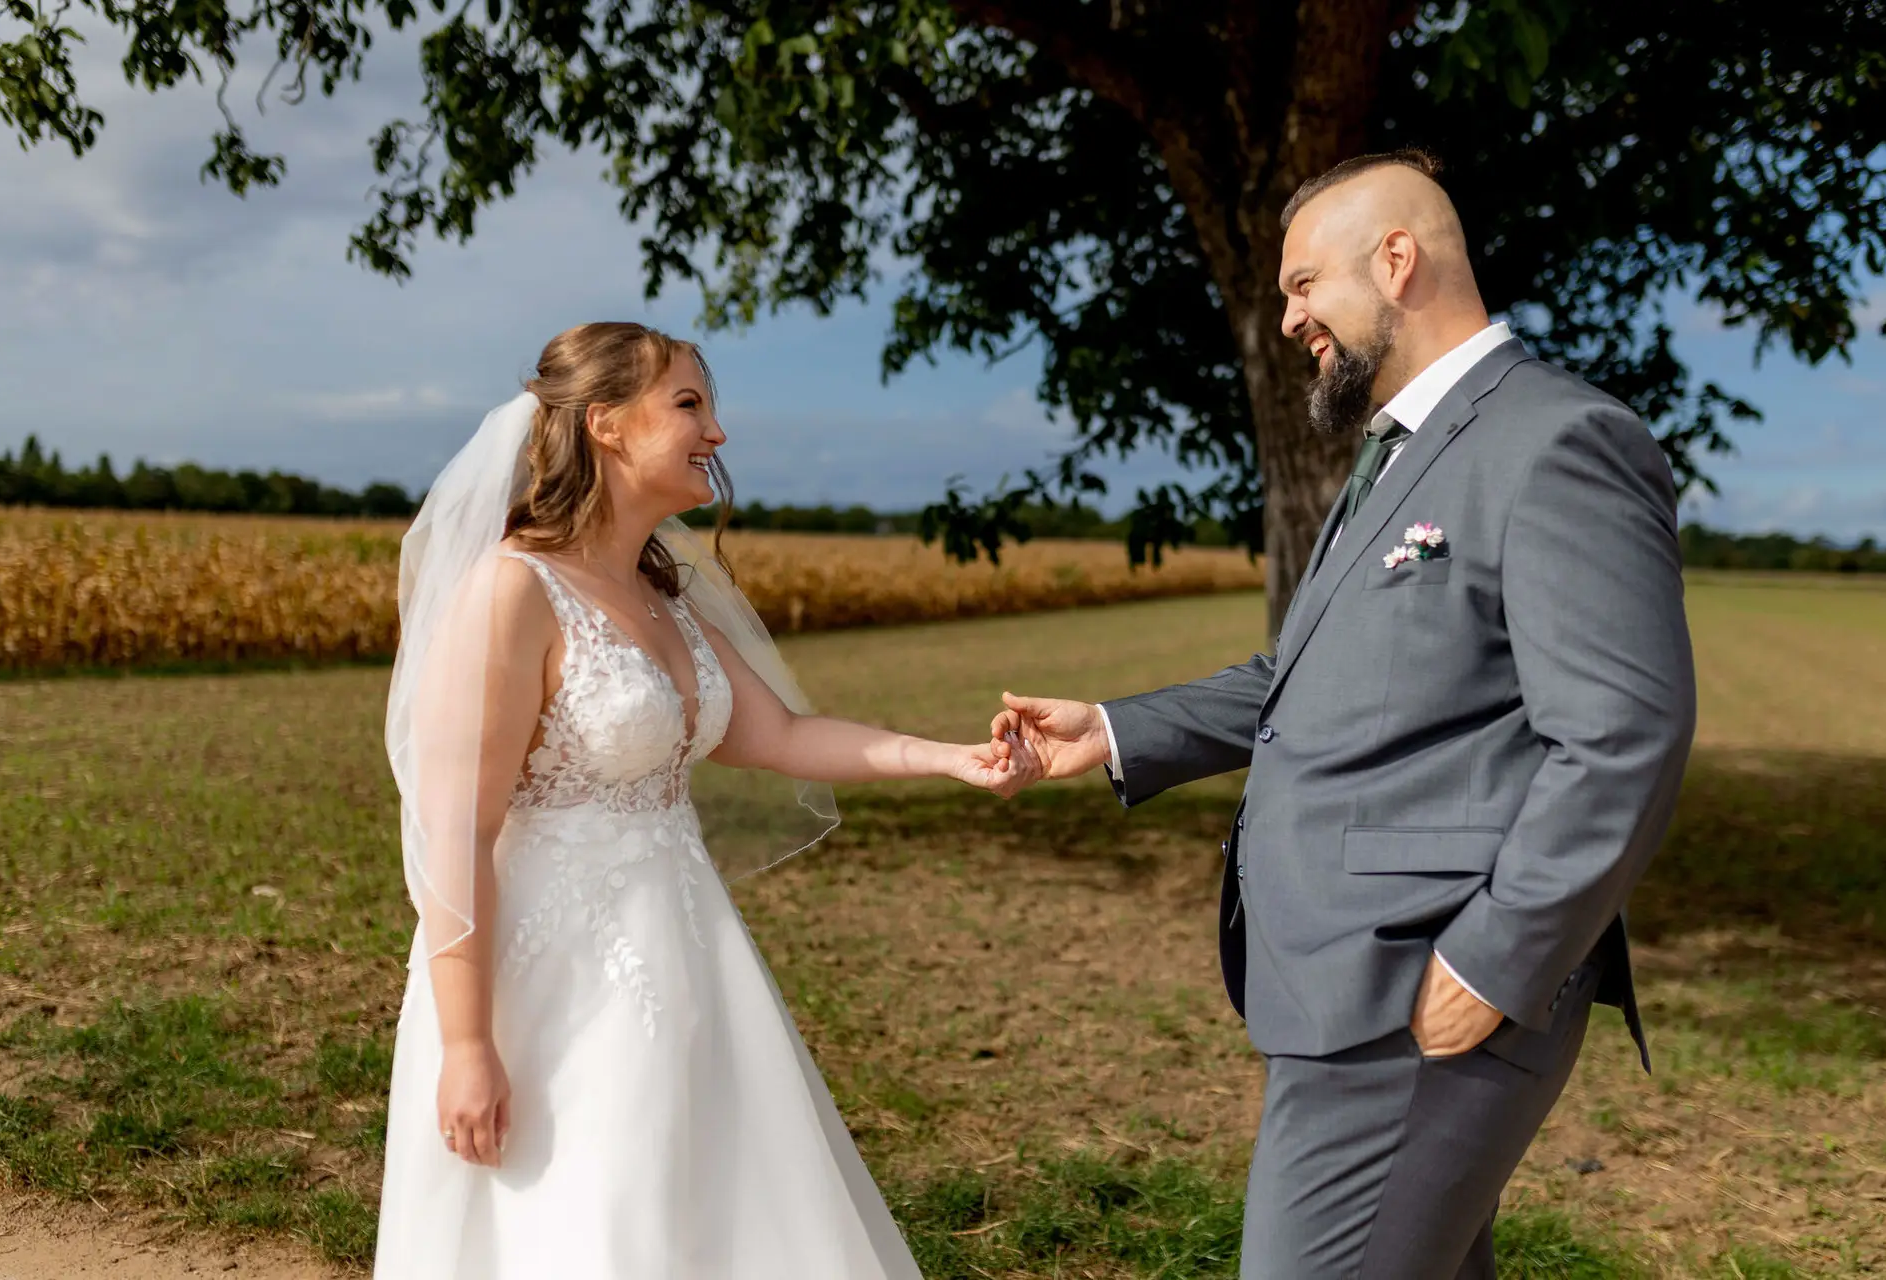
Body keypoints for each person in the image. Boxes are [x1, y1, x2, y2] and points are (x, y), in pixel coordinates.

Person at [991, 150, 1697, 1278]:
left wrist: (1493, 961)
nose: (1287, 319)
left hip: (1423, 993)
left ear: (1397, 261)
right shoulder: (1395, 455)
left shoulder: (1559, 440)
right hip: (1349, 990)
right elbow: (1306, 671)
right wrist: (1117, 728)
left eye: (1304, 284)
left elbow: (1623, 736)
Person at [373, 321, 1033, 1279]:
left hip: (690, 964)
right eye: (689, 404)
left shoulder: (661, 597)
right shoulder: (510, 592)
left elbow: (783, 736)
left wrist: (949, 759)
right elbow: (458, 834)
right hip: (548, 985)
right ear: (604, 423)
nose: (716, 434)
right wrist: (469, 1043)